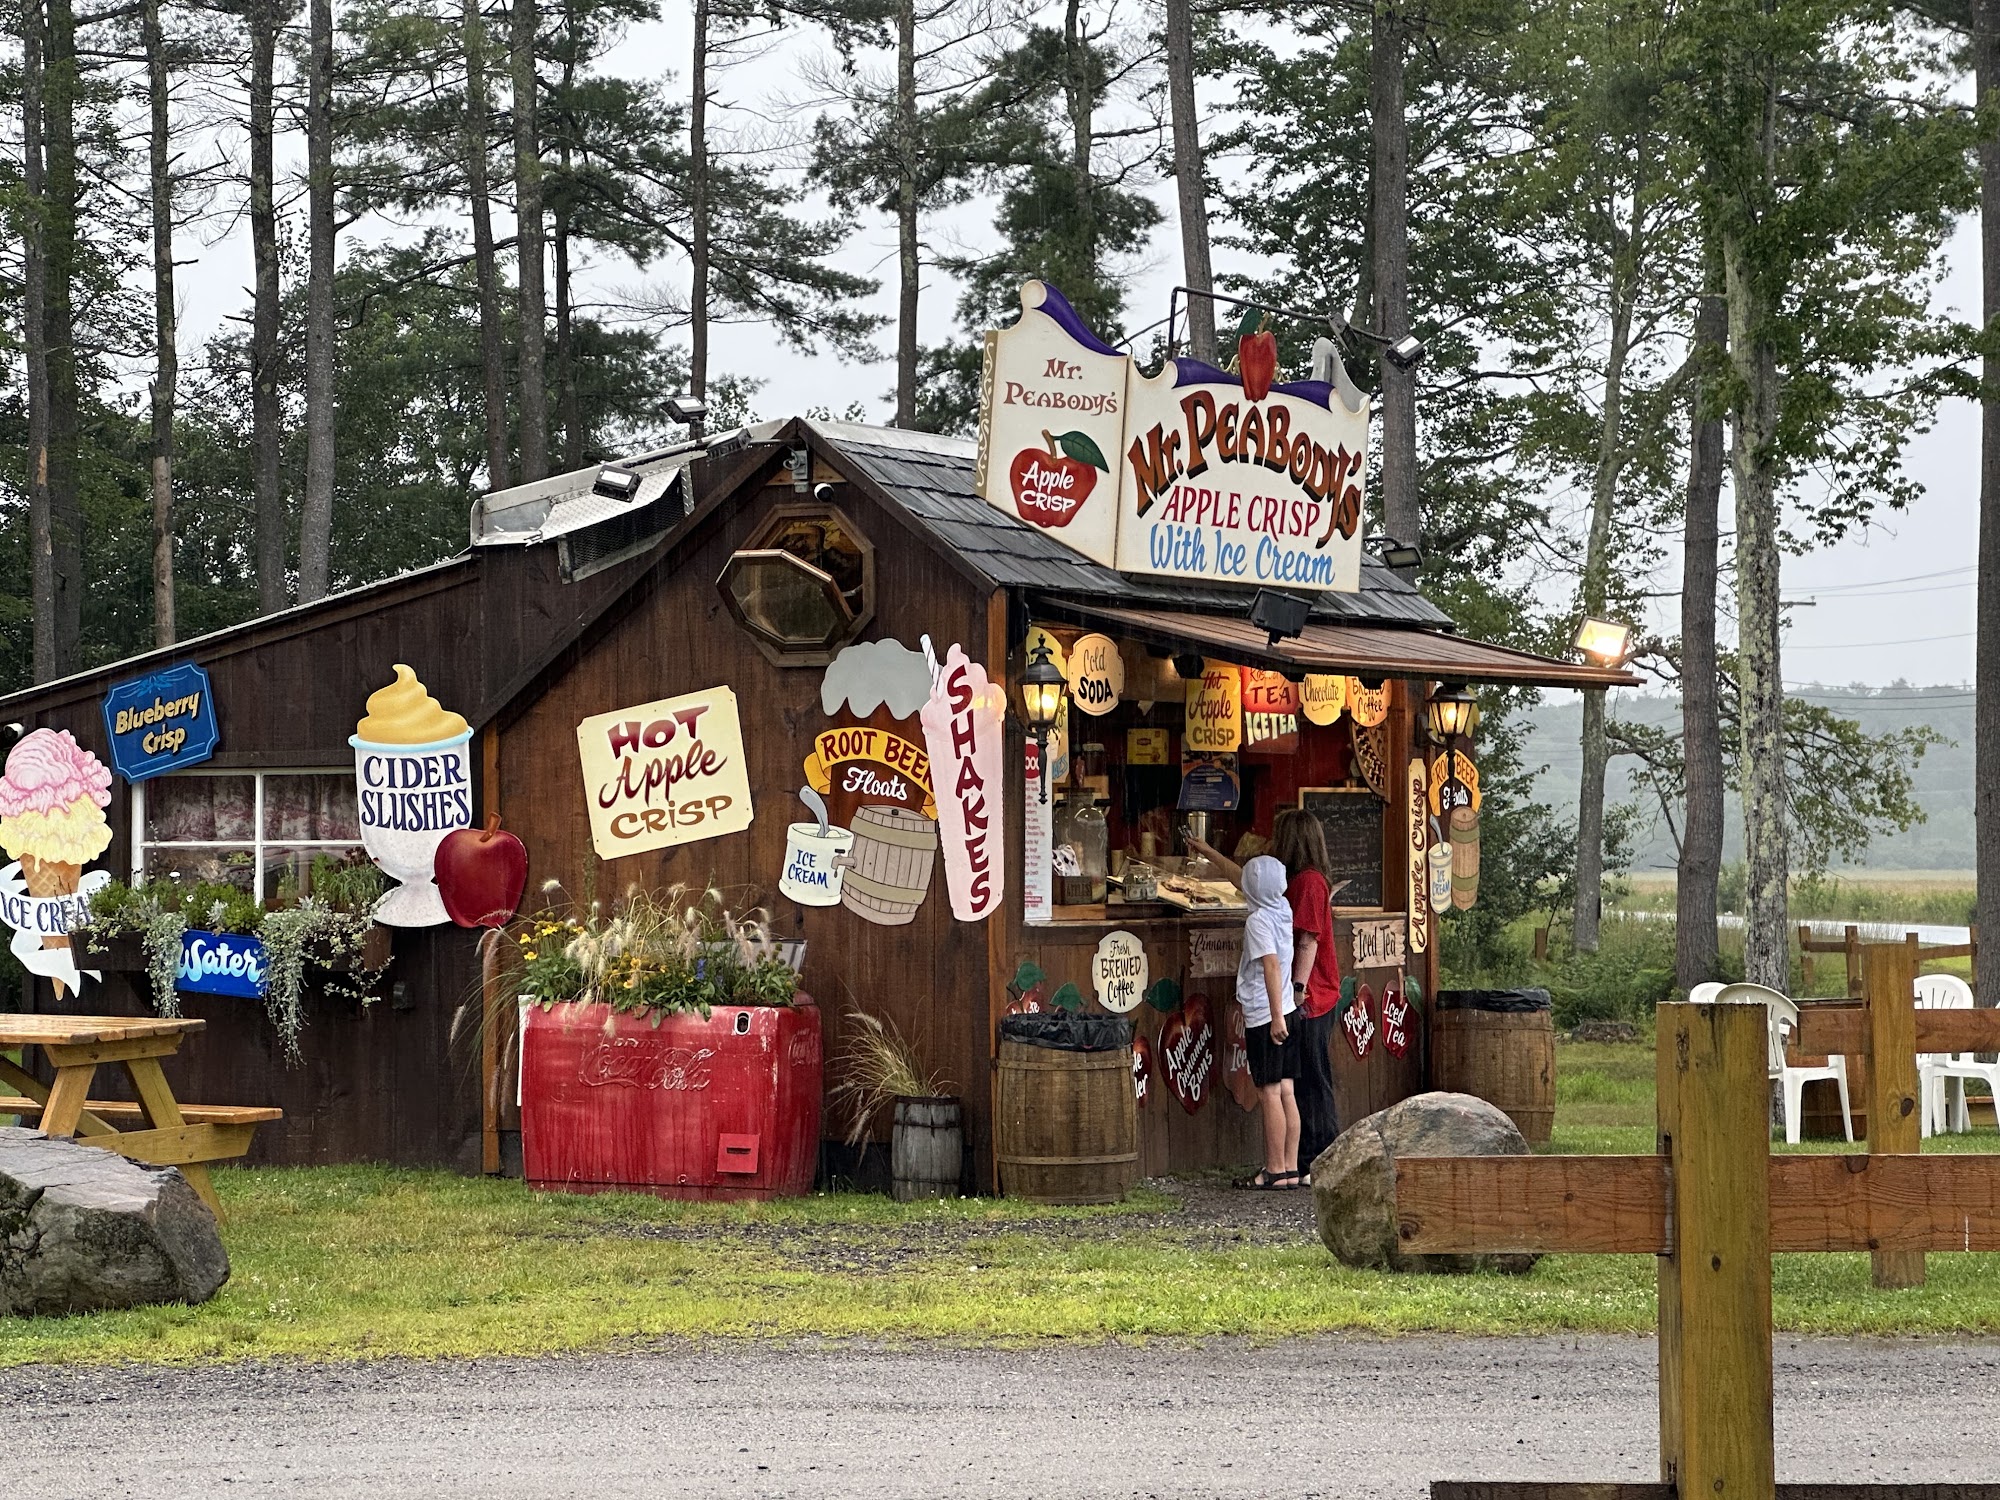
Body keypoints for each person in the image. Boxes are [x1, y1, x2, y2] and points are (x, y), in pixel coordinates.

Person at [1268, 807, 1343, 1180]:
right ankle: (1306, 1157)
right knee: (1303, 1078)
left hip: (1313, 996)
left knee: (1313, 1077)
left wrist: (1297, 991)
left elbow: (1308, 940)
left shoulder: (1310, 882)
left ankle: (1323, 1154)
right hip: (1306, 995)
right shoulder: (1298, 880)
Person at [1234, 854, 1300, 1189]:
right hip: (1288, 1006)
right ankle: (1289, 1167)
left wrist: (1274, 1017)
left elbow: (1270, 965)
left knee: (1269, 1091)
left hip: (1266, 1012)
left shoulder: (1257, 921)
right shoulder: (1283, 909)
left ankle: (1274, 1169)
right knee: (1287, 1088)